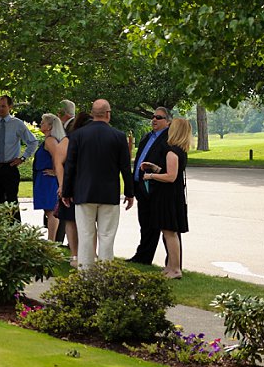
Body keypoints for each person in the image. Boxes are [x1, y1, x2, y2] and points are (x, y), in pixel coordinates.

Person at [61, 99, 134, 268]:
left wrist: (66, 191)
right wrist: (129, 192)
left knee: (85, 235)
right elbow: (125, 167)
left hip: (84, 192)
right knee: (107, 236)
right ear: (108, 114)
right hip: (109, 193)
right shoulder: (118, 136)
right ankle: (105, 275)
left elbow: (70, 165)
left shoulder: (78, 135)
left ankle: (86, 275)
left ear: (93, 114)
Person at [141, 118, 192, 279]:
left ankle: (175, 268)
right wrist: (155, 167)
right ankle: (170, 266)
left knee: (169, 232)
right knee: (169, 231)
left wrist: (151, 175)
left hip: (168, 196)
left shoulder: (171, 151)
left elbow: (171, 176)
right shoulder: (180, 150)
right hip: (174, 195)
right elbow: (171, 171)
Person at [128, 107, 172, 264]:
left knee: (165, 227)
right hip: (141, 187)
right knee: (145, 225)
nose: (154, 119)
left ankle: (173, 262)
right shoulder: (147, 137)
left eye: (158, 117)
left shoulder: (170, 139)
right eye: (153, 116)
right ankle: (143, 257)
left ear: (168, 121)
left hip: (157, 188)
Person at [54, 112, 92, 264]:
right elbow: (58, 164)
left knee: (85, 221)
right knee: (70, 220)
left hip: (85, 185)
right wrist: (63, 185)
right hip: (70, 185)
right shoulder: (68, 141)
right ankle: (75, 254)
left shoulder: (87, 142)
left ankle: (87, 254)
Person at [34, 114, 64, 243]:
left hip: (48, 179)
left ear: (50, 126)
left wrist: (55, 172)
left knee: (51, 211)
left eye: (43, 122)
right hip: (42, 178)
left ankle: (51, 240)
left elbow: (58, 156)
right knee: (48, 210)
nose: (41, 124)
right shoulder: (47, 140)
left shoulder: (50, 141)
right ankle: (51, 239)